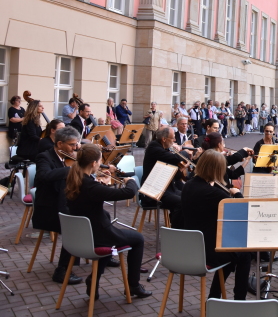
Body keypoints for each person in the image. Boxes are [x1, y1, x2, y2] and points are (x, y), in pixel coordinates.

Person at [65, 144, 152, 299]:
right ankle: (133, 285)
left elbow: (90, 195)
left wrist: (101, 181)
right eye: (99, 161)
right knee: (138, 239)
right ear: (93, 164)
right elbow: (128, 192)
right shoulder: (91, 187)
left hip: (81, 236)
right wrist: (130, 180)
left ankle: (94, 279)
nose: (100, 164)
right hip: (97, 235)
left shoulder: (75, 179)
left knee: (110, 242)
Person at [181, 150, 252, 300]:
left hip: (189, 246)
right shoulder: (214, 193)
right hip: (205, 251)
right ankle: (240, 299)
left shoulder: (188, 185)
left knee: (231, 252)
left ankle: (214, 295)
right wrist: (237, 193)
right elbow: (241, 210)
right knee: (244, 253)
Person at [34, 127, 85, 285]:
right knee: (76, 226)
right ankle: (62, 270)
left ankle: (104, 254)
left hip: (65, 204)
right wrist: (69, 170)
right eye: (72, 145)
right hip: (49, 209)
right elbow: (44, 176)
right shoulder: (45, 157)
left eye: (77, 144)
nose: (75, 148)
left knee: (98, 214)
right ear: (60, 143)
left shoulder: (71, 156)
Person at [141, 126, 188, 223]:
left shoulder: (163, 148)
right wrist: (185, 152)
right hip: (153, 192)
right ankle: (175, 229)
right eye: (172, 138)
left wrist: (181, 169)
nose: (174, 140)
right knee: (180, 202)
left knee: (189, 196)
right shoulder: (154, 147)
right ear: (164, 139)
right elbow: (175, 158)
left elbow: (175, 175)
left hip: (166, 188)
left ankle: (185, 225)